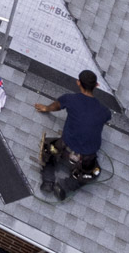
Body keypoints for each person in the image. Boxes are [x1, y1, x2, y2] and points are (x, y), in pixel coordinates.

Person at [35, 71, 111, 200]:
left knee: (48, 149)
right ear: (96, 85)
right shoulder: (105, 111)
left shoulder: (70, 99)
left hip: (65, 148)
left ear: (78, 82)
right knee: (93, 172)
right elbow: (103, 119)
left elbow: (56, 106)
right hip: (86, 157)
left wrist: (46, 108)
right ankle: (65, 187)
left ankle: (48, 180)